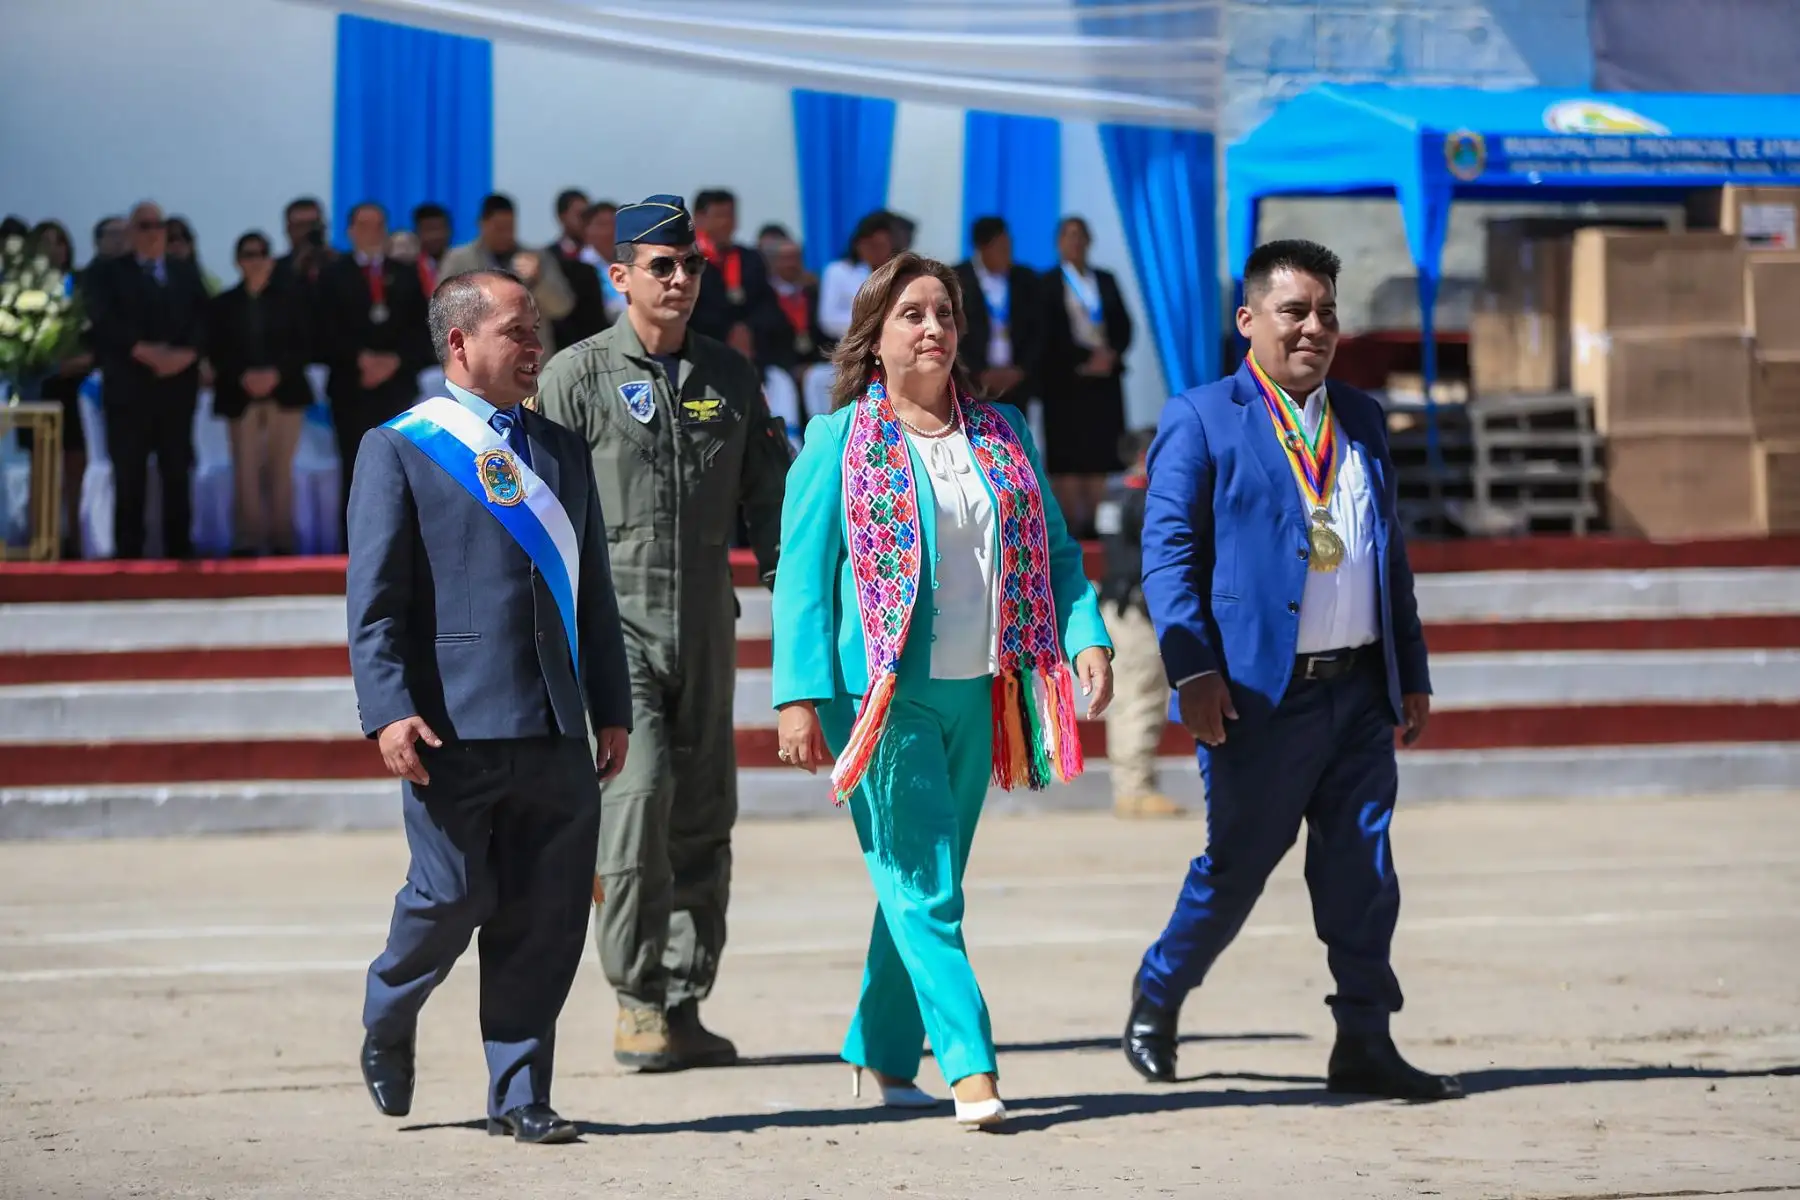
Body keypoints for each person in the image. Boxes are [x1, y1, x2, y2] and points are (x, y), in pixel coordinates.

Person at [771, 252, 1114, 1129]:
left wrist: (1086, 638)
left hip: (983, 692)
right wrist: (798, 697)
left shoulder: (1003, 432)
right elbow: (802, 580)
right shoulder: (835, 441)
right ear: (874, 338)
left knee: (921, 876)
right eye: (912, 314)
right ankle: (971, 1068)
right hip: (879, 695)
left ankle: (880, 1052)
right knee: (926, 884)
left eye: (945, 314)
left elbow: (1059, 557)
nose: (933, 328)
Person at [1121, 239, 1461, 1102]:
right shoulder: (1201, 417)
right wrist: (1193, 673)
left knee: (1362, 871)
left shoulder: (1365, 419)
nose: (1315, 328)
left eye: (1327, 313)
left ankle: (1364, 1038)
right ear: (1248, 321)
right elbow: (1167, 558)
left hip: (1356, 691)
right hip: (1255, 700)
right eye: (1294, 311)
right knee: (1235, 869)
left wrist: (1409, 669)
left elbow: (1390, 561)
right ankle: (1158, 995)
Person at [348, 268, 633, 1144]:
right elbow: (377, 602)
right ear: (460, 344)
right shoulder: (398, 446)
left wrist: (610, 706)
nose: (534, 344)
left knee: (545, 913)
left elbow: (593, 597)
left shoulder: (560, 449)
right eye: (516, 330)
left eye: (536, 329)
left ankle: (519, 1091)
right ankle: (389, 1012)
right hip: (451, 728)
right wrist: (389, 710)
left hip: (553, 722)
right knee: (451, 897)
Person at [534, 194, 790, 1074]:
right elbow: (532, 512)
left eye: (691, 267)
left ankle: (684, 1001)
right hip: (614, 632)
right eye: (661, 267)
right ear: (621, 277)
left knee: (704, 815)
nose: (679, 281)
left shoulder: (731, 375)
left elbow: (773, 503)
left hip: (706, 625)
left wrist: (805, 606)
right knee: (636, 805)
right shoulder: (575, 377)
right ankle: (635, 998)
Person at [83, 200, 209, 559]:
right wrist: (143, 351)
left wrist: (186, 354)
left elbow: (204, 319)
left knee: (176, 469)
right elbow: (104, 321)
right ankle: (129, 550)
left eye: (158, 225)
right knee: (129, 472)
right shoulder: (107, 273)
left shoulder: (184, 271)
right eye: (144, 226)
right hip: (129, 389)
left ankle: (179, 549)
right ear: (131, 232)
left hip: (176, 389)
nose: (153, 232)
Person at [319, 202, 433, 536]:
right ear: (350, 231)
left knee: (400, 464)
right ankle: (353, 541)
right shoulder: (332, 274)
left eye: (379, 224)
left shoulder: (406, 272)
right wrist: (360, 359)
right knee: (355, 465)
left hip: (397, 386)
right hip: (351, 386)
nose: (373, 232)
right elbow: (323, 327)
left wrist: (394, 360)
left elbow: (423, 328)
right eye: (365, 225)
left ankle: (401, 540)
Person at [208, 231, 315, 555]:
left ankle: (283, 539)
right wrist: (243, 375)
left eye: (261, 254)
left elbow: (304, 344)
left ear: (270, 259)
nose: (255, 261)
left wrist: (276, 373)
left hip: (284, 393)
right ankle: (248, 540)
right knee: (245, 469)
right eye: (248, 255)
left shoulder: (293, 300)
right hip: (240, 396)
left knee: (282, 468)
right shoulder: (223, 304)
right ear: (238, 261)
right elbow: (216, 349)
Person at [1095, 427, 1183, 818]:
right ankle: (1135, 787)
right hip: (1137, 607)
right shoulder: (1145, 497)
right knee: (1143, 695)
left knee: (1131, 695)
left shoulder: (1116, 495)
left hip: (1119, 603)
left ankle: (1132, 787)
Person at [1039, 215, 1132, 539]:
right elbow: (1046, 332)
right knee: (1068, 454)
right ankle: (1071, 524)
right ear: (1059, 242)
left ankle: (1094, 523)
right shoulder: (1048, 282)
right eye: (1069, 235)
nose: (1075, 242)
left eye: (1081, 235)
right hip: (1066, 381)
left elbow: (1123, 324)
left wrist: (1111, 354)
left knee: (1099, 453)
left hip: (1103, 381)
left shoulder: (1104, 279)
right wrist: (1083, 358)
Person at [441, 193, 575, 359]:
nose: (505, 234)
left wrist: (538, 280)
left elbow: (562, 307)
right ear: (482, 224)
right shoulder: (460, 261)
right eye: (498, 228)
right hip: (479, 361)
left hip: (529, 361)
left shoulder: (538, 258)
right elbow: (442, 309)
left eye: (510, 227)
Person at [953, 215, 1042, 410]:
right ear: (982, 248)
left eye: (1009, 247)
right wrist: (977, 373)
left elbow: (1038, 330)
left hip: (1016, 386)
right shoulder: (957, 280)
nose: (1008, 254)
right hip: (972, 385)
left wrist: (1020, 370)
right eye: (1001, 248)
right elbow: (952, 332)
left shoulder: (1025, 279)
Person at [689, 188, 785, 368]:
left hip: (752, 356)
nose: (726, 222)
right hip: (704, 355)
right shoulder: (687, 262)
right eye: (719, 216)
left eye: (731, 215)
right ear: (698, 218)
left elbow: (768, 305)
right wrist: (727, 331)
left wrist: (748, 329)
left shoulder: (751, 258)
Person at [816, 212, 893, 349]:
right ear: (858, 244)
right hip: (849, 347)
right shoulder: (837, 271)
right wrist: (875, 324)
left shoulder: (895, 274)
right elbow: (829, 319)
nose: (877, 252)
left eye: (882, 246)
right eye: (872, 245)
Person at [546, 188, 610, 349]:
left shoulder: (604, 256)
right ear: (562, 216)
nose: (584, 221)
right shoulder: (550, 258)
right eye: (580, 215)